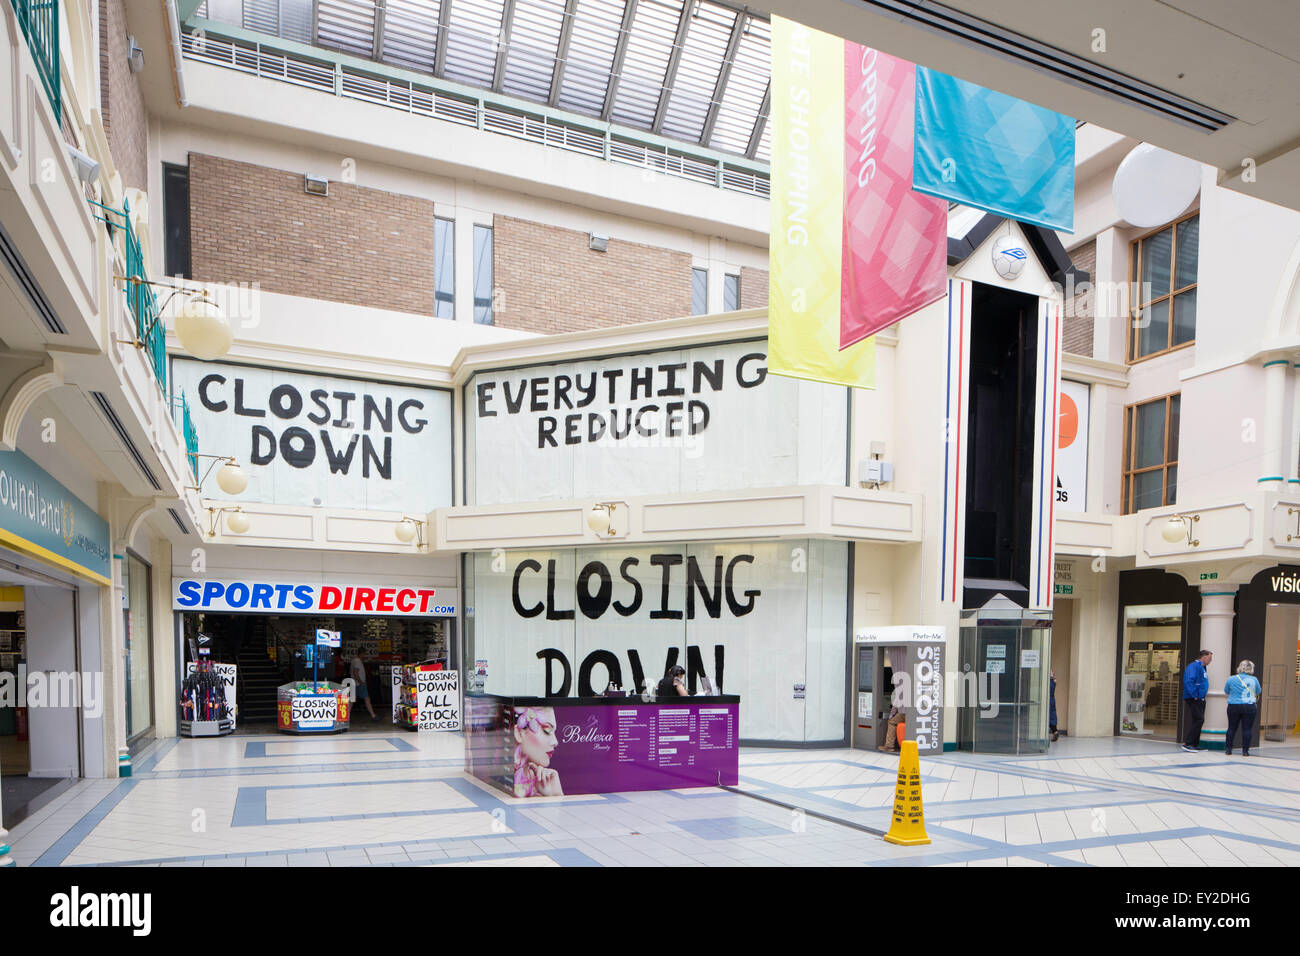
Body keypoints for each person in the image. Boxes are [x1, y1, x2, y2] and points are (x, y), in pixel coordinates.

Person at [513, 706, 563, 796]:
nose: (555, 742)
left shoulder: (540, 783)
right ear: (519, 733)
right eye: (547, 730)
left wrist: (556, 795)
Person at [1224, 660, 1262, 757]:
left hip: (1234, 705)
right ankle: (1245, 751)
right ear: (1251, 668)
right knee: (1247, 729)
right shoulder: (1255, 679)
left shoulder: (1231, 679)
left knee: (1231, 728)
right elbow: (1258, 691)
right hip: (1249, 706)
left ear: (1240, 667)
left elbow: (1226, 691)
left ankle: (1228, 750)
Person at [1181, 649, 1212, 753]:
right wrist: (1194, 695)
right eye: (1210, 658)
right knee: (1199, 719)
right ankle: (1188, 743)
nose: (1210, 661)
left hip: (1200, 698)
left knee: (1197, 720)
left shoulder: (1202, 667)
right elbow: (1189, 681)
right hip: (1194, 698)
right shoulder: (1194, 666)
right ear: (1204, 657)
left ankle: (1194, 744)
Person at [351, 654, 378, 721]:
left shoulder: (353, 661)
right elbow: (355, 672)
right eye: (364, 654)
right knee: (367, 698)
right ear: (362, 653)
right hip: (359, 683)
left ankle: (345, 716)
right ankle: (373, 715)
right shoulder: (358, 661)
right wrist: (361, 682)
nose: (365, 656)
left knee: (351, 700)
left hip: (353, 683)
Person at [1049, 668, 1059, 743]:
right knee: (1052, 714)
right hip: (1052, 700)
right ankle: (1054, 731)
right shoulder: (1054, 681)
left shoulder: (1050, 682)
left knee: (1049, 715)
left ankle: (1054, 731)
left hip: (1049, 699)